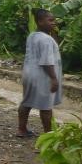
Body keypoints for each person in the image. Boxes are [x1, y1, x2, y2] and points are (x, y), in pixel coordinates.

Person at [17, 9, 62, 137]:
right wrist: (53, 78)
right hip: (43, 77)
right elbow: (46, 61)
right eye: (50, 20)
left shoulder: (32, 36)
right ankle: (48, 134)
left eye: (54, 20)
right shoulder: (46, 39)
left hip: (29, 74)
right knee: (46, 106)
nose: (54, 22)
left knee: (26, 102)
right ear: (40, 22)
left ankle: (21, 129)